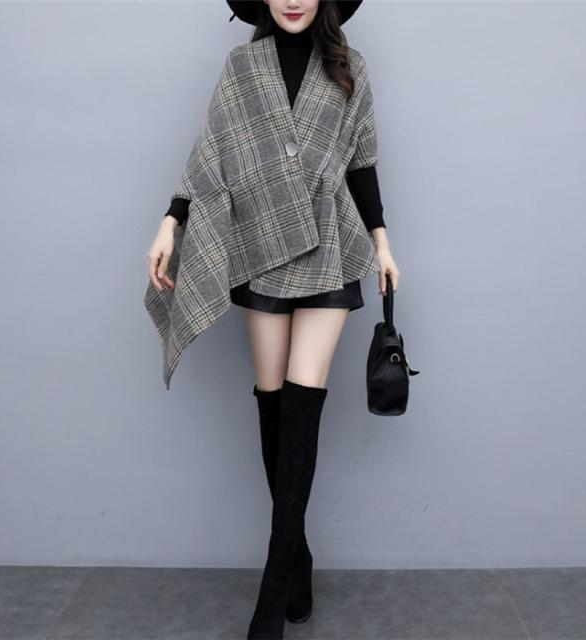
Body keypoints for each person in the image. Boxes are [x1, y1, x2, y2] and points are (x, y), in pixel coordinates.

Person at [145, 1, 399, 638]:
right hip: (259, 245)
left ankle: (272, 588)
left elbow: (362, 160)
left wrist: (382, 241)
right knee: (274, 403)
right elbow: (210, 156)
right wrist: (171, 221)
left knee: (304, 403)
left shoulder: (349, 67)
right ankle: (298, 557)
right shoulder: (242, 65)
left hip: (330, 243)